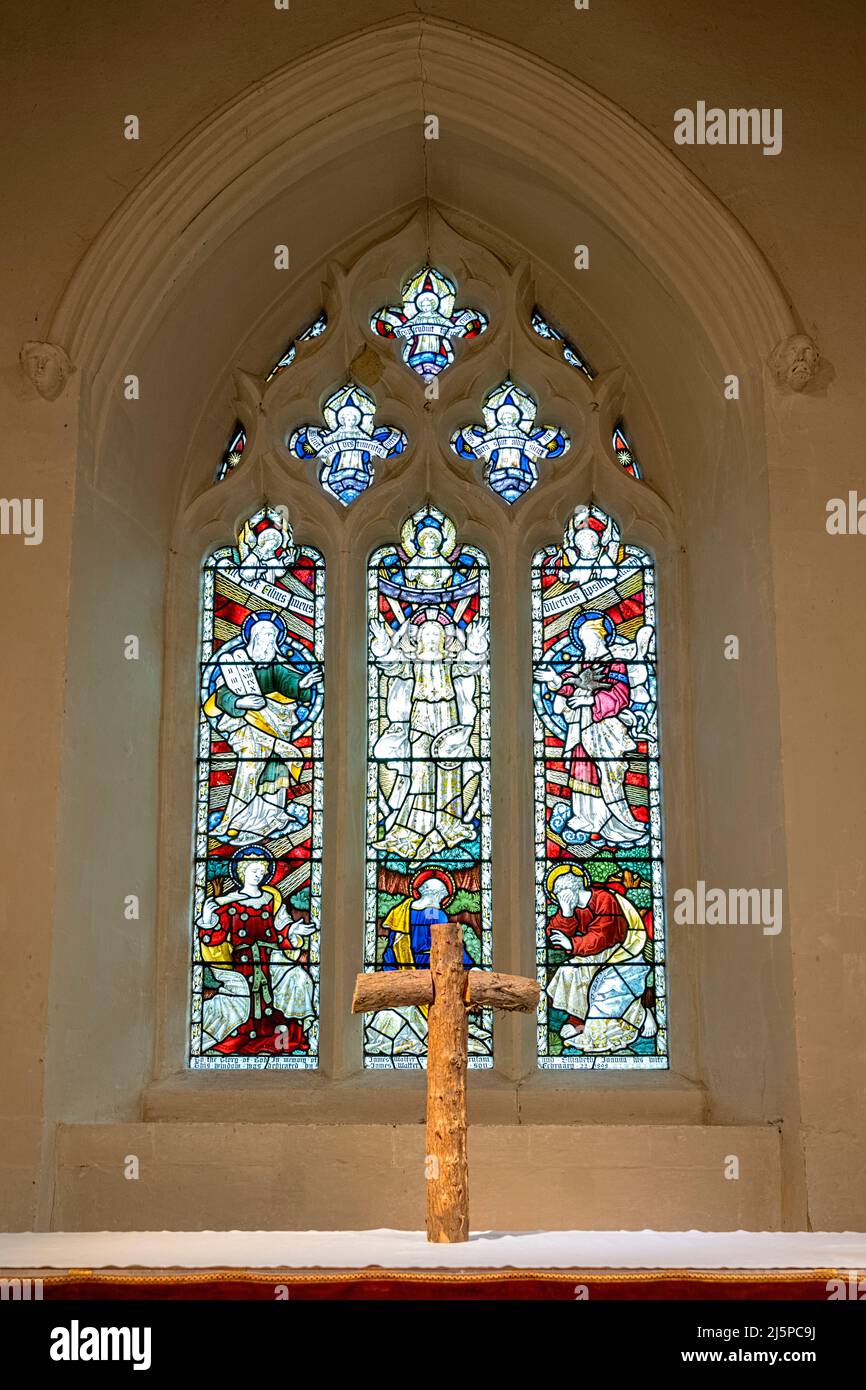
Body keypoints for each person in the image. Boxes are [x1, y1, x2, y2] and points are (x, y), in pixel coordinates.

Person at [203, 613, 321, 843]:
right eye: (266, 638)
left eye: (273, 639)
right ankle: (236, 818)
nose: (270, 644)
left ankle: (272, 815)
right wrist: (241, 703)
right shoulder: (235, 663)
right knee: (252, 759)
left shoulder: (274, 665)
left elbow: (288, 681)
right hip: (244, 727)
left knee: (276, 764)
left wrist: (302, 684)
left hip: (275, 725)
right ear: (254, 638)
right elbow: (222, 694)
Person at [197, 847, 315, 1055]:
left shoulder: (271, 900)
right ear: (242, 872)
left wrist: (292, 930)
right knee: (243, 999)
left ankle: (289, 1034)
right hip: (243, 960)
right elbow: (217, 935)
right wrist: (207, 920)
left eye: (262, 871)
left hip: (272, 958)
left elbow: (280, 929)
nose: (259, 874)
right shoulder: (230, 902)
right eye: (254, 870)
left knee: (299, 977)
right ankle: (241, 1037)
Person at [545, 863, 651, 1052]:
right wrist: (566, 913)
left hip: (621, 955)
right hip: (593, 955)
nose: (559, 899)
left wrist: (572, 944)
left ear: (570, 889)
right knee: (569, 971)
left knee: (604, 1000)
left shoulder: (604, 898)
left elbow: (602, 936)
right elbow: (555, 935)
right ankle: (578, 1020)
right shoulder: (574, 907)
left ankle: (640, 1016)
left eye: (560, 893)